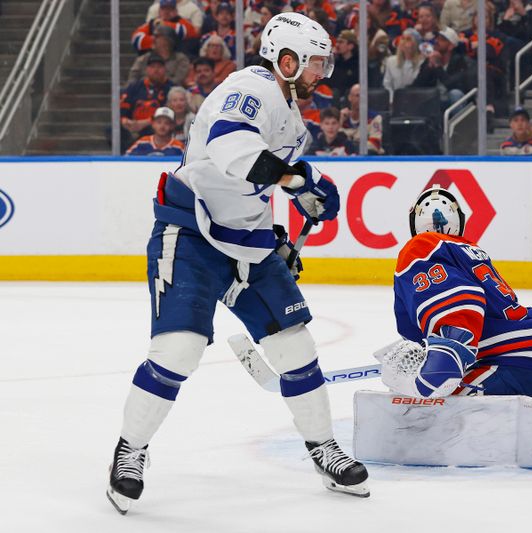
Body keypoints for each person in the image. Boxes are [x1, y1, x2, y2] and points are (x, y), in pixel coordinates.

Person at [105, 12, 369, 516]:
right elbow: (233, 150)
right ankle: (130, 451)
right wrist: (298, 183)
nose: (323, 72)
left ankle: (323, 449)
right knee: (178, 350)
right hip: (191, 235)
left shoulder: (294, 122)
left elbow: (264, 181)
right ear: (285, 60)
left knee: (297, 348)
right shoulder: (250, 86)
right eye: (315, 62)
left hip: (248, 243)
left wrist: (293, 211)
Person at [385, 185, 532, 468]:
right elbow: (419, 332)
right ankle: (524, 425)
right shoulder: (468, 250)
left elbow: (461, 304)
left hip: (508, 363)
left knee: (417, 415)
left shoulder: (421, 247)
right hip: (527, 359)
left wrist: (446, 355)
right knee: (422, 400)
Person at [120, 56, 175, 149]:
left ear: (165, 69)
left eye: (159, 67)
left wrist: (148, 122)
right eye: (153, 67)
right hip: (133, 125)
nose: (156, 70)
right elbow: (123, 106)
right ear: (146, 69)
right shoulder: (135, 87)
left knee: (151, 130)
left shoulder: (171, 88)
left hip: (155, 126)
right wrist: (125, 120)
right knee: (113, 131)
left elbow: (170, 111)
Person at [133, 0, 199, 54]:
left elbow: (187, 32)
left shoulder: (183, 22)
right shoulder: (152, 22)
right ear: (159, 11)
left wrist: (162, 25)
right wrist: (157, 43)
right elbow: (137, 39)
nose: (167, 11)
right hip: (155, 57)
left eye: (170, 9)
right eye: (164, 8)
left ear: (176, 11)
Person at [340, 84, 384, 154]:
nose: (361, 99)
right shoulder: (342, 117)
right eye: (357, 96)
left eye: (363, 96)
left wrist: (353, 146)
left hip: (367, 160)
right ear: (349, 97)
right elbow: (332, 141)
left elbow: (375, 144)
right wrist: (340, 121)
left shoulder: (374, 118)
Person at [383, 28, 424, 100]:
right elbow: (387, 84)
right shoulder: (391, 61)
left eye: (408, 39)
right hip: (396, 100)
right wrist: (391, 99)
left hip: (416, 99)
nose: (403, 42)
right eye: (402, 38)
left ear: (416, 44)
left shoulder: (422, 62)